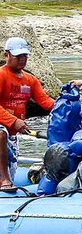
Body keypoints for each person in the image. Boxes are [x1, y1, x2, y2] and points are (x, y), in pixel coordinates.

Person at [0, 37, 55, 190]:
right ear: (6, 55)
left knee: (12, 169)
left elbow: (45, 101)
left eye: (24, 55)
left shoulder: (30, 80)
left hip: (12, 134)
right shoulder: (1, 75)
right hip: (3, 128)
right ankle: (4, 180)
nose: (22, 59)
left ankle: (8, 177)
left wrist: (64, 103)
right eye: (18, 56)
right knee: (1, 133)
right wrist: (13, 121)